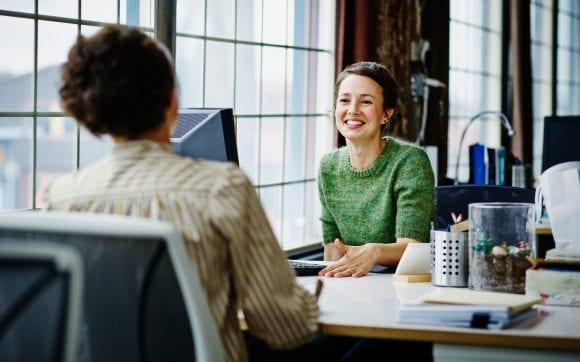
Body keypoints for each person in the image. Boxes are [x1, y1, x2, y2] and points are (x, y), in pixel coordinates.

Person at [41, 24, 320, 362]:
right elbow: (284, 329)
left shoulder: (61, 197)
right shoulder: (222, 188)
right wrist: (309, 300)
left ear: (92, 114)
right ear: (172, 103)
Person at [318, 61, 435, 278]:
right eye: (344, 100)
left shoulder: (410, 162)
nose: (352, 110)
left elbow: (413, 248)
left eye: (366, 102)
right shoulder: (328, 167)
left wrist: (374, 251)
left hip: (402, 285)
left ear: (386, 114)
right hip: (354, 285)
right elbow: (332, 253)